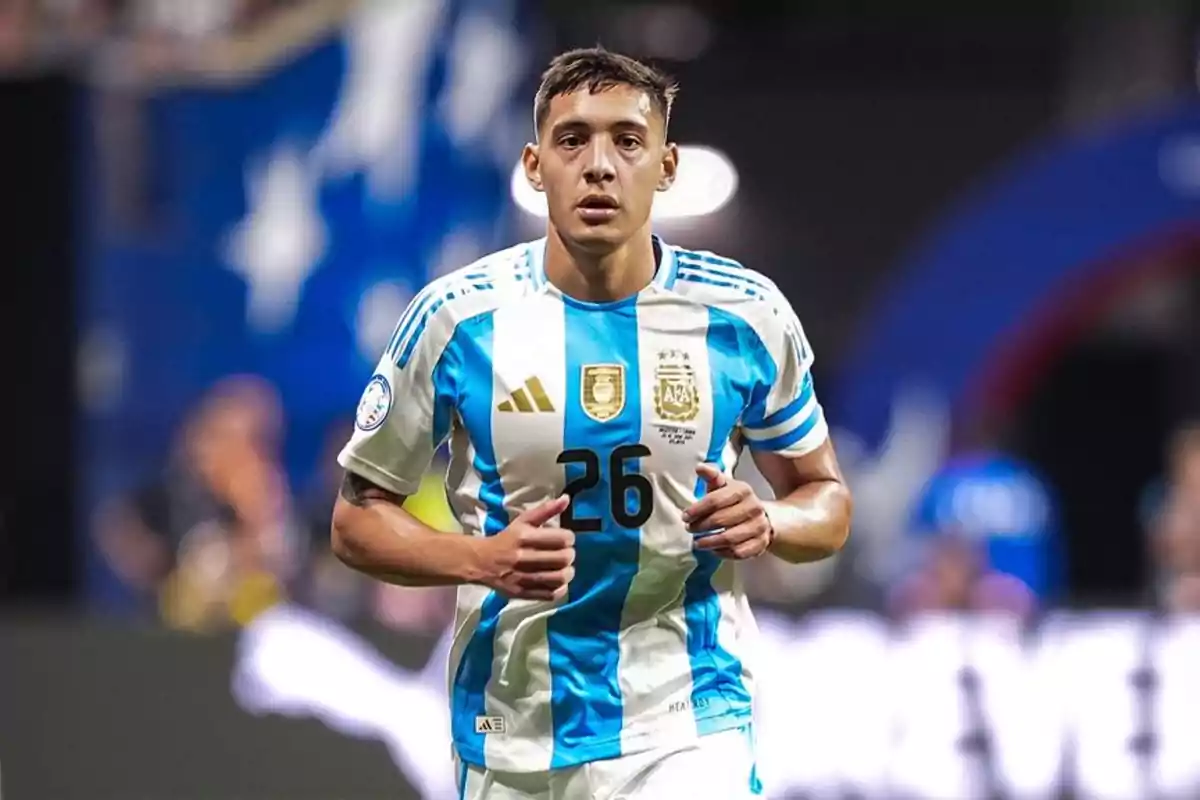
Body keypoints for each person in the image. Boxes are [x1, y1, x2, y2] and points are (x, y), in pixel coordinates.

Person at [330, 47, 852, 800]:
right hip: (511, 729)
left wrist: (768, 520)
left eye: (627, 141)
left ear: (665, 166)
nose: (599, 165)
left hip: (689, 721)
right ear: (536, 164)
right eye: (573, 140)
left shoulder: (745, 315)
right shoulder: (457, 319)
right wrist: (481, 560)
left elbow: (828, 502)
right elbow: (355, 522)